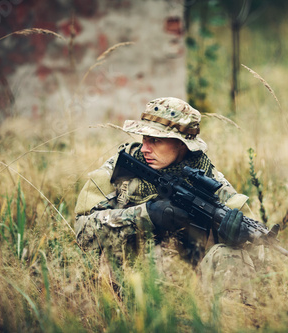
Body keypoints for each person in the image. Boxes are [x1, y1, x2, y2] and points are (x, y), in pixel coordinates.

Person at [74, 97, 263, 304]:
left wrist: (236, 237)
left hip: (191, 286)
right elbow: (83, 233)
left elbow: (257, 255)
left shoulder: (209, 181)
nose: (145, 148)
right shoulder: (122, 169)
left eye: (156, 140)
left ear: (183, 145)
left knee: (232, 254)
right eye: (145, 138)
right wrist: (147, 214)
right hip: (131, 284)